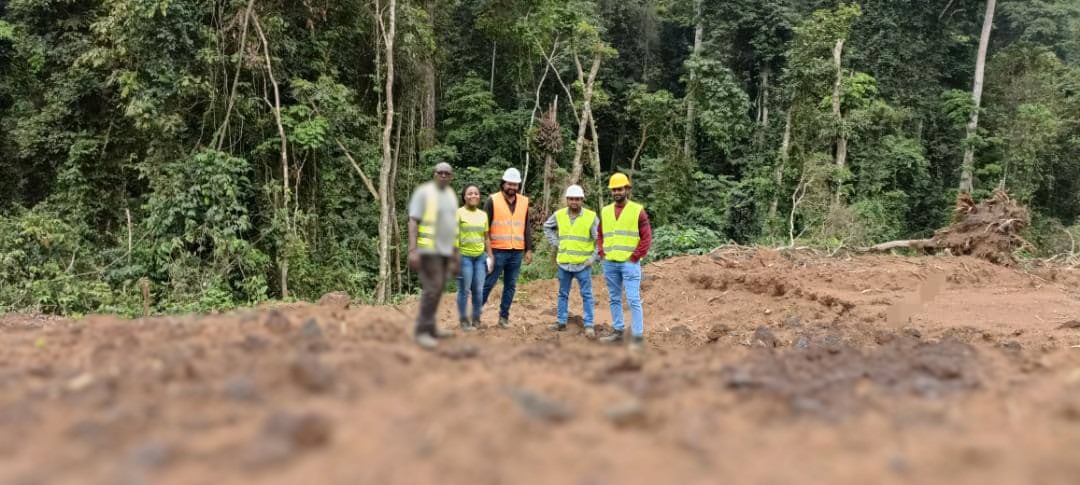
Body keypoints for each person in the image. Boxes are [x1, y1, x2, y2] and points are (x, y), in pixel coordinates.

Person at [407, 162, 460, 350]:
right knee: (432, 288)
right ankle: (422, 331)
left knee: (438, 289)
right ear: (435, 174)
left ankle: (430, 327)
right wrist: (412, 250)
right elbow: (413, 220)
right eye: (441, 173)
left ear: (451, 176)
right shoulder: (424, 193)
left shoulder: (451, 197)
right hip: (428, 250)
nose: (444, 176)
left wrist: (456, 253)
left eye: (447, 173)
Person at [597, 173, 652, 352]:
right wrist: (602, 252)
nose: (617, 192)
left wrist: (635, 256)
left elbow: (646, 237)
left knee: (633, 299)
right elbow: (600, 234)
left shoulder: (637, 210)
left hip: (629, 263)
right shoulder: (605, 211)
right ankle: (618, 331)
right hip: (610, 262)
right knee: (614, 298)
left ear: (627, 189)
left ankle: (637, 338)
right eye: (614, 189)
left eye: (620, 188)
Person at [542, 185, 598, 339]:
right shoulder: (559, 215)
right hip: (564, 264)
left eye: (578, 199)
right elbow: (547, 227)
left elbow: (600, 240)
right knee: (563, 294)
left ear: (582, 200)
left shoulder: (591, 216)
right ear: (567, 200)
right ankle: (561, 321)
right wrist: (557, 243)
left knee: (586, 295)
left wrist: (593, 258)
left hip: (583, 265)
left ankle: (588, 325)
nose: (574, 201)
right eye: (572, 199)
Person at [482, 167, 534, 328]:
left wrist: (529, 249)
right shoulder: (492, 200)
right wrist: (487, 252)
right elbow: (484, 229)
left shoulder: (524, 201)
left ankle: (504, 318)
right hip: (496, 251)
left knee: (510, 285)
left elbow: (526, 226)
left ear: (518, 186)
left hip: (516, 252)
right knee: (488, 283)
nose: (512, 187)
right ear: (503, 183)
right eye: (509, 184)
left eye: (515, 185)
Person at [456, 184, 489, 332]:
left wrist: (490, 256)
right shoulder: (458, 213)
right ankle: (464, 321)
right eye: (470, 193)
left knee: (478, 290)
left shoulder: (483, 215)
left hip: (480, 258)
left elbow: (486, 237)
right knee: (464, 290)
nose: (473, 196)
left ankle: (476, 319)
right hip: (464, 258)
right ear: (464, 196)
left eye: (476, 193)